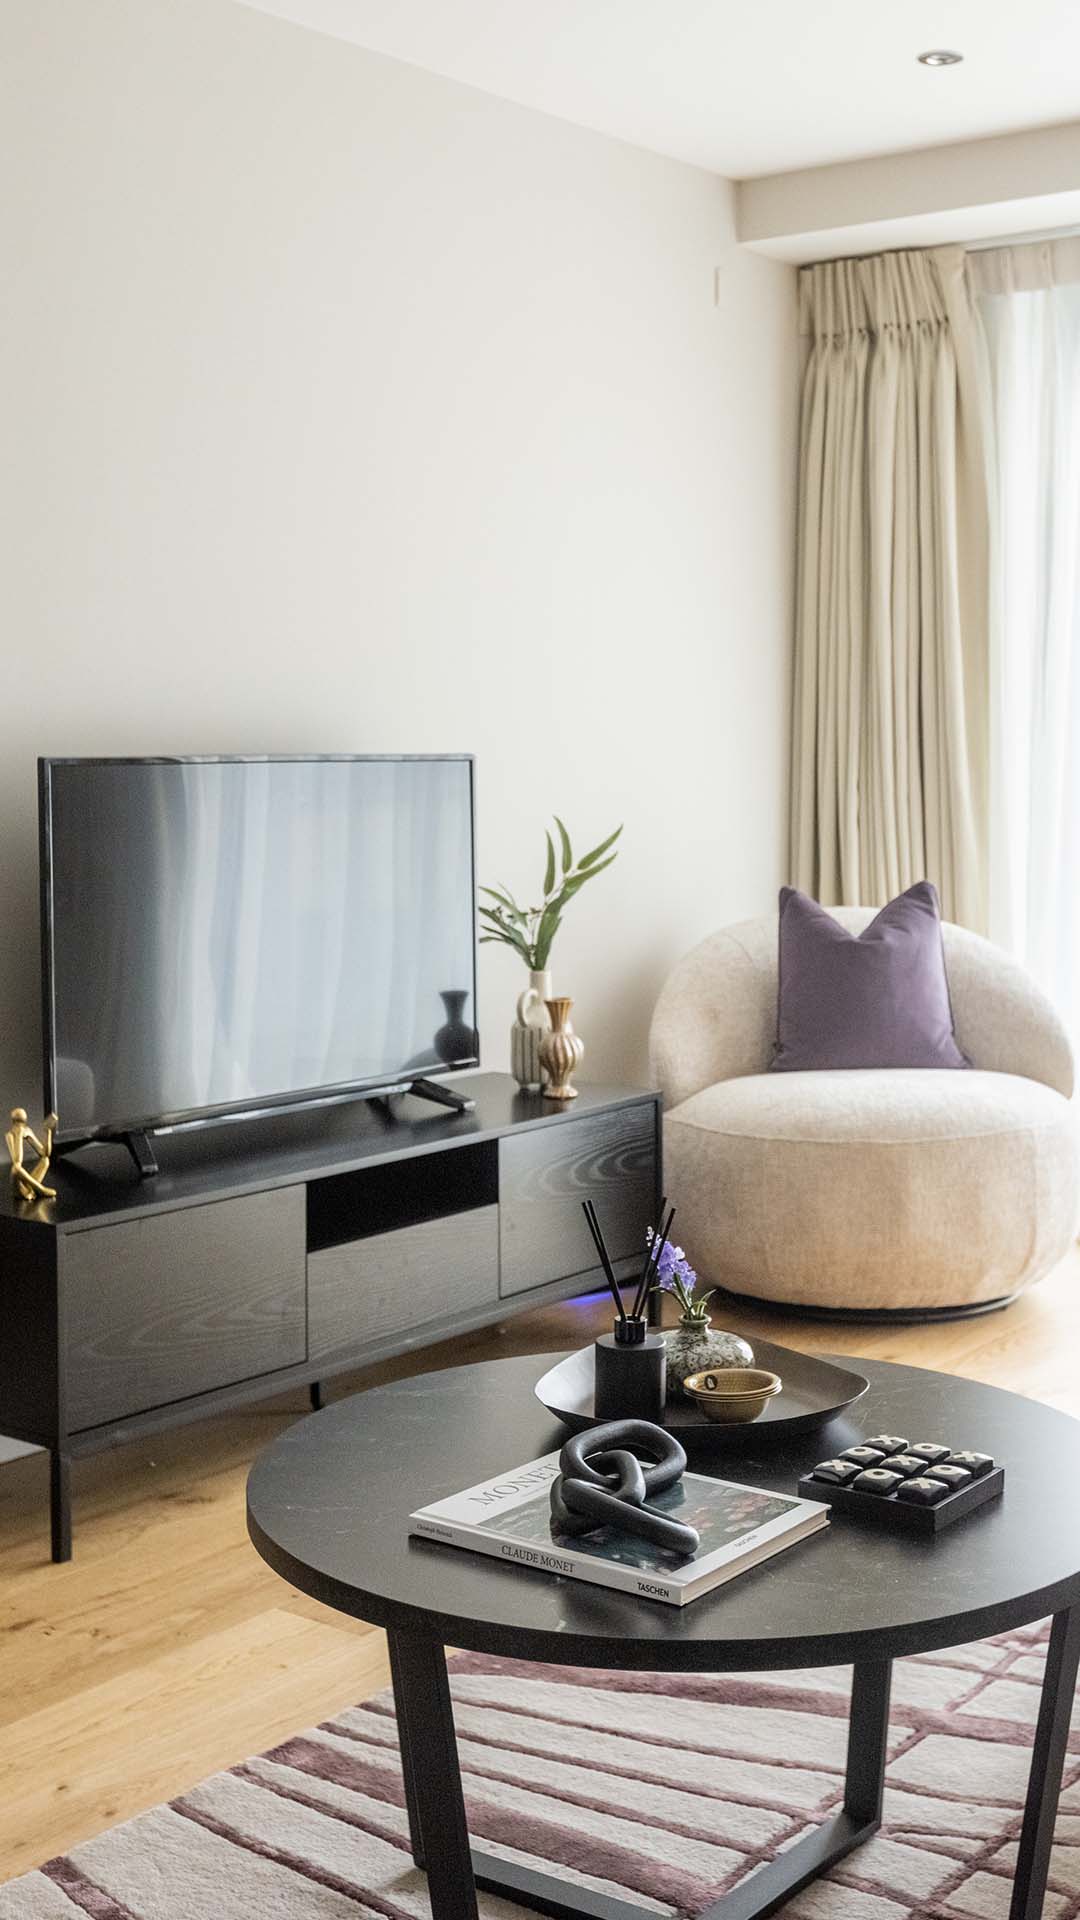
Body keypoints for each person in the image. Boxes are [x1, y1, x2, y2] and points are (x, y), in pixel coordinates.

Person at [6, 1107, 58, 1202]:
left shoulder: (27, 1131)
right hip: (18, 1187)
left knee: (45, 1160)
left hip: (27, 1186)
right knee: (16, 1168)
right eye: (18, 1123)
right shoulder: (9, 1135)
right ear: (14, 1122)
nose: (21, 1126)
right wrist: (19, 1134)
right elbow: (17, 1160)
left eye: (22, 1123)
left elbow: (45, 1153)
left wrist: (48, 1133)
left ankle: (31, 1189)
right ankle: (41, 1189)